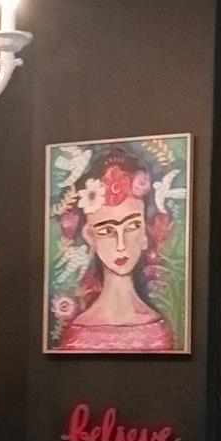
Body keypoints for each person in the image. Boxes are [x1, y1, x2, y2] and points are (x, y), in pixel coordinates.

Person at [56, 149, 175, 353]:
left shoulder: (159, 329)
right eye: (107, 231)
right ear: (90, 236)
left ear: (145, 234)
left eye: (131, 227)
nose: (121, 244)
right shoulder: (77, 332)